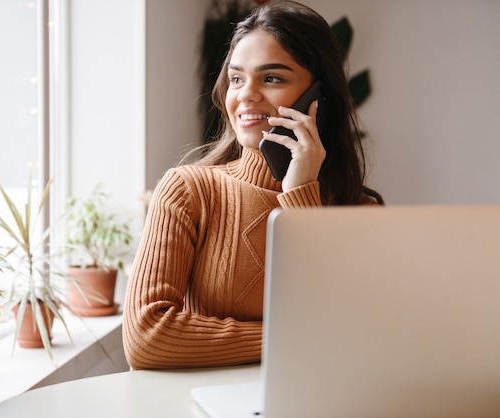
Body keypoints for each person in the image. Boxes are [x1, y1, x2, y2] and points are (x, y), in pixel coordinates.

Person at [123, 0, 384, 370]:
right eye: (236, 78)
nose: (246, 94)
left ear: (317, 98)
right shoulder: (187, 191)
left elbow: (351, 336)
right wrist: (292, 337)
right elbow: (147, 337)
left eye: (272, 77)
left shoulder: (358, 213)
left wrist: (299, 197)